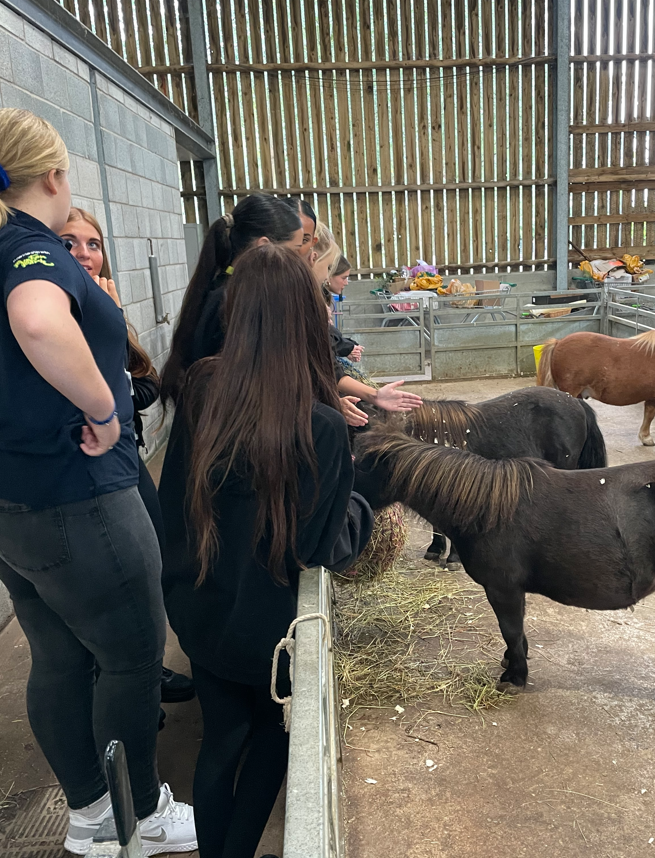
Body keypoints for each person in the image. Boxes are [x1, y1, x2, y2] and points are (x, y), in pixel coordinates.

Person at [0, 108, 195, 855]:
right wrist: (104, 409)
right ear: (54, 177)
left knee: (60, 657)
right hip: (67, 499)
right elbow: (42, 325)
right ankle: (140, 817)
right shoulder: (31, 252)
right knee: (131, 656)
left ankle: (91, 815)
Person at [158, 244, 373, 858]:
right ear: (309, 316)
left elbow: (170, 502)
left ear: (238, 312)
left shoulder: (202, 392)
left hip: (201, 609)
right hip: (270, 630)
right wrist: (363, 496)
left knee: (221, 739)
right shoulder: (323, 426)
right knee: (273, 742)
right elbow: (320, 545)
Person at [60, 206, 195, 708]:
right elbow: (106, 390)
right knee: (119, 576)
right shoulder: (68, 314)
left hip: (124, 455)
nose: (83, 254)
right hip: (92, 469)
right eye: (69, 243)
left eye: (92, 244)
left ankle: (146, 673)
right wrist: (109, 326)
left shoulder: (102, 305)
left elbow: (143, 383)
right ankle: (126, 689)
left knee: (152, 557)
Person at [159, 194, 304, 408]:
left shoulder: (222, 289)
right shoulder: (231, 303)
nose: (299, 261)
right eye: (294, 251)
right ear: (263, 246)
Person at [307, 223, 423, 415]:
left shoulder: (318, 299)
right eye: (328, 267)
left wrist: (373, 394)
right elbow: (324, 351)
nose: (327, 275)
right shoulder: (310, 303)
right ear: (313, 259)